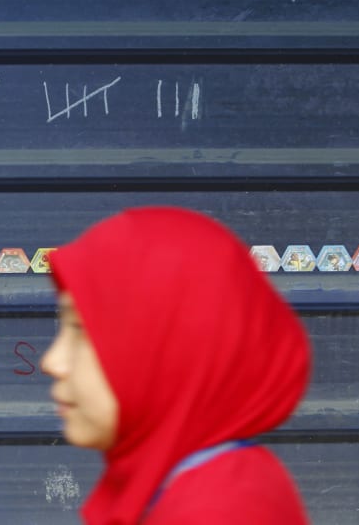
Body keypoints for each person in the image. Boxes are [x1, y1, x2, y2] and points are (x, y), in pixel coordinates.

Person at [41, 207, 311, 524]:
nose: (52, 361)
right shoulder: (216, 484)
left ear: (167, 351)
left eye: (80, 329)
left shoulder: (215, 513)